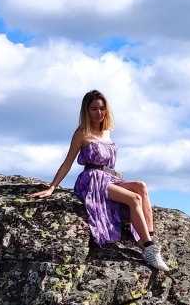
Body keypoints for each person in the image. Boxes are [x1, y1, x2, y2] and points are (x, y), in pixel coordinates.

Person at [29, 90, 169, 271]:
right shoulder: (82, 133)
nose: (99, 113)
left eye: (102, 108)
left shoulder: (107, 132)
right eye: (94, 109)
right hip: (91, 180)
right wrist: (52, 188)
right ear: (86, 111)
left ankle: (149, 239)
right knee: (134, 199)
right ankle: (149, 249)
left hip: (109, 177)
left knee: (141, 186)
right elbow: (67, 162)